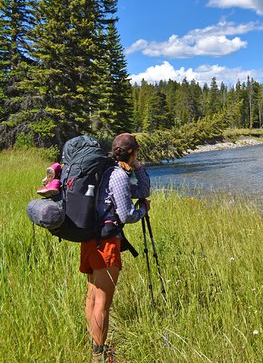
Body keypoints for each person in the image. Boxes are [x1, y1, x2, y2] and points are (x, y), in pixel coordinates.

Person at [81, 133, 151, 361]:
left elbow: (141, 191)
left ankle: (95, 346)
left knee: (92, 298)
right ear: (132, 152)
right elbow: (126, 214)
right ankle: (99, 354)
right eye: (136, 154)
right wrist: (142, 211)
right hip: (106, 243)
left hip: (90, 239)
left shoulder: (105, 172)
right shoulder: (119, 175)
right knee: (102, 302)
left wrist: (138, 168)